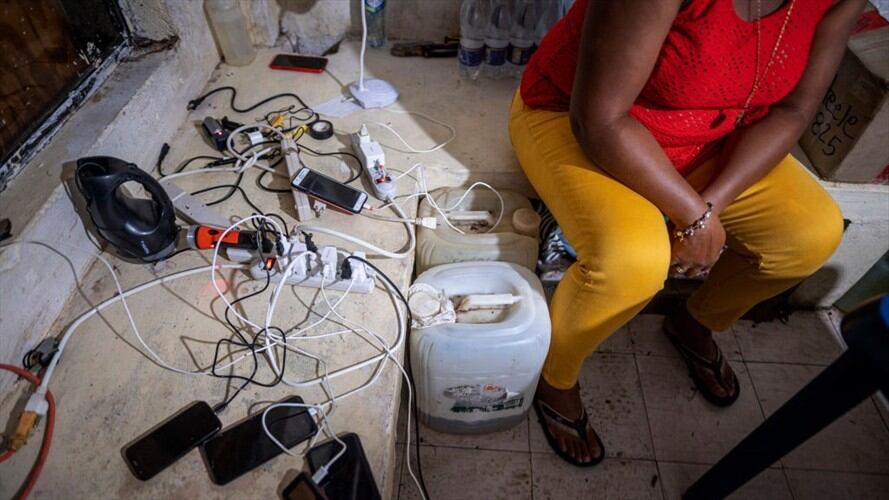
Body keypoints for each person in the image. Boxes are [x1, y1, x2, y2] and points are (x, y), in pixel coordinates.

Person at [509, 0, 865, 466]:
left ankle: (695, 322)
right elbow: (599, 120)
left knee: (809, 234)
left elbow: (795, 111)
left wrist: (708, 209)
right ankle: (554, 378)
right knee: (632, 262)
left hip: (709, 135)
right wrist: (694, 218)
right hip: (580, 117)